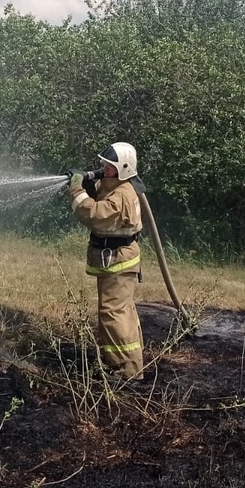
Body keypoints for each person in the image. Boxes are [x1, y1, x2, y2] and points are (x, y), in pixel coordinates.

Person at [68, 141, 145, 380]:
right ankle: (127, 364)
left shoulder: (122, 195)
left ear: (122, 168)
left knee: (114, 313)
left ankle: (126, 372)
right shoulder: (116, 185)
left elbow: (94, 213)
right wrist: (89, 185)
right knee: (120, 311)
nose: (103, 167)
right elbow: (101, 195)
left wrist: (77, 190)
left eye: (109, 165)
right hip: (115, 260)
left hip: (119, 261)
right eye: (103, 163)